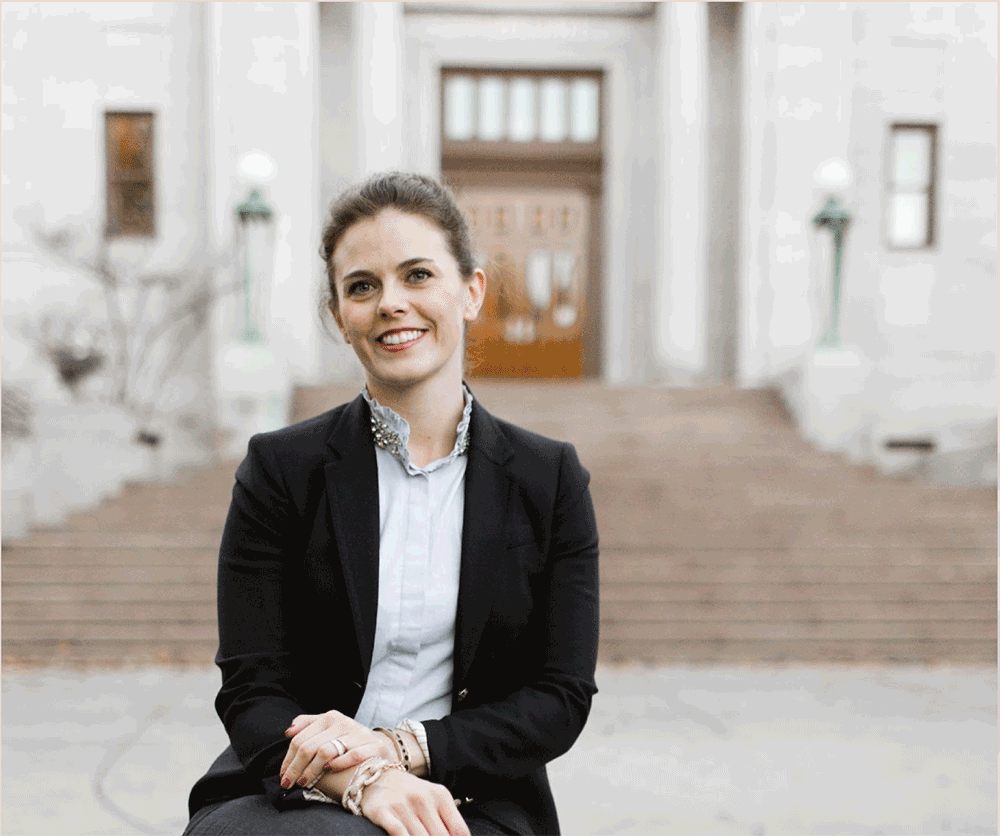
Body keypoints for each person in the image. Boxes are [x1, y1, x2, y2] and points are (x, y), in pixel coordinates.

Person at [183, 171, 600, 836]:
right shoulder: (280, 470)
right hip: (297, 791)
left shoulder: (548, 480)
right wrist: (358, 777)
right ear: (339, 318)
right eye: (362, 286)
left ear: (470, 291)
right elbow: (252, 687)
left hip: (471, 800)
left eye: (417, 275)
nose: (390, 303)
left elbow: (559, 698)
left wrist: (405, 748)